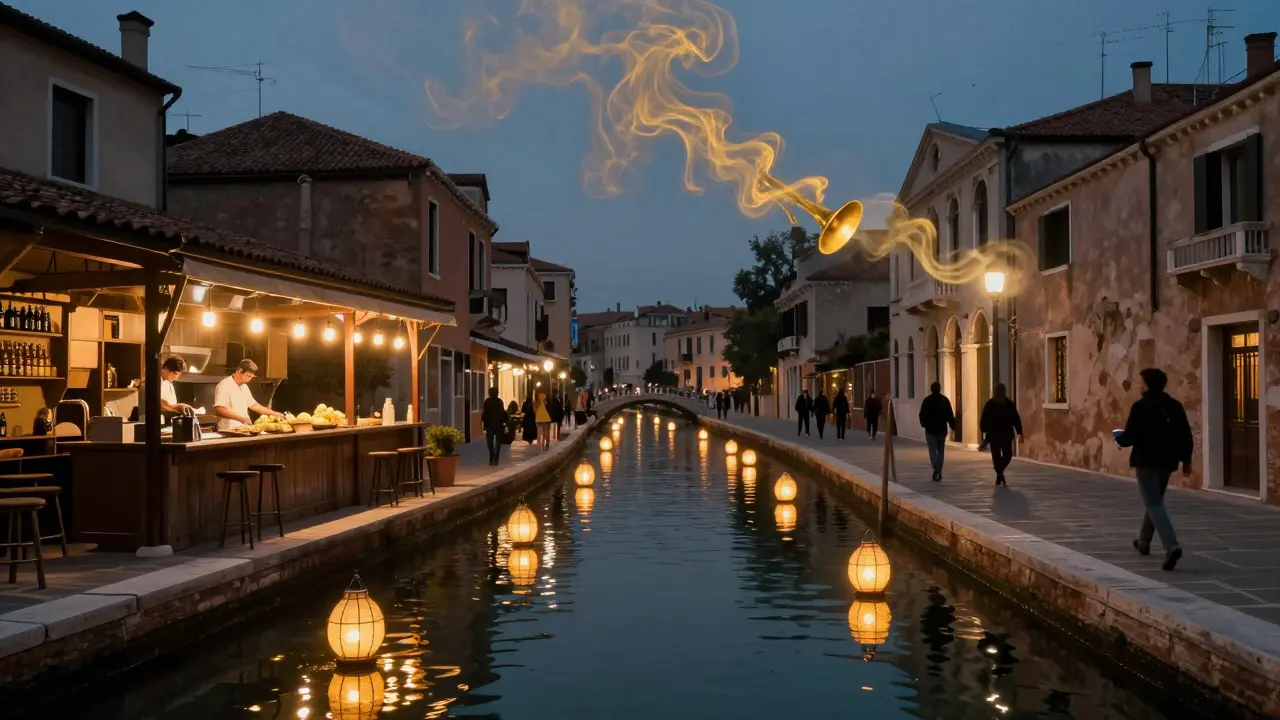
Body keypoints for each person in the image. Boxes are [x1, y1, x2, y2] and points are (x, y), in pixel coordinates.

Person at [1116, 367, 1192, 571]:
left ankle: (1171, 545)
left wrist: (1119, 438)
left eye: (1141, 382)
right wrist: (1187, 460)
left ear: (1147, 384)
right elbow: (1186, 434)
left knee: (1154, 502)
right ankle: (1143, 542)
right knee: (1154, 501)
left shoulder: (1140, 407)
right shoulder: (1174, 406)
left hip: (1146, 462)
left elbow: (1129, 436)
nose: (1138, 386)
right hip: (1168, 462)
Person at [213, 359, 284, 430]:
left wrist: (275, 413)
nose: (249, 379)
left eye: (251, 377)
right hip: (228, 429)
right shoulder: (224, 385)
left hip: (243, 428)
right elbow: (220, 409)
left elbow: (254, 405)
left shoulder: (244, 386)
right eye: (248, 376)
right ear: (240, 371)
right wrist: (242, 419)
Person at [979, 383, 1023, 486]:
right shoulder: (1008, 404)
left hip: (994, 435)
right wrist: (1019, 432)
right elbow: (1015, 418)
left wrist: (983, 429)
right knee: (1007, 455)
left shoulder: (990, 404)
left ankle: (999, 472)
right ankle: (1000, 473)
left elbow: (983, 418)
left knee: (996, 456)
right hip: (1006, 434)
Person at [918, 382, 956, 482]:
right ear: (940, 389)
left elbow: (922, 414)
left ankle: (937, 468)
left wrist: (924, 424)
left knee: (932, 450)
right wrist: (954, 427)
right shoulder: (944, 400)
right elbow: (950, 415)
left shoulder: (927, 401)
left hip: (930, 430)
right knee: (941, 450)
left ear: (931, 389)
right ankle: (938, 470)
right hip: (941, 429)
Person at [481, 387, 509, 466]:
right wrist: (505, 422)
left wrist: (485, 425)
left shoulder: (487, 401)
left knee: (490, 443)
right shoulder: (499, 401)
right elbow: (503, 413)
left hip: (490, 425)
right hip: (498, 425)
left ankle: (492, 456)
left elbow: (485, 414)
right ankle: (495, 458)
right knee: (497, 443)